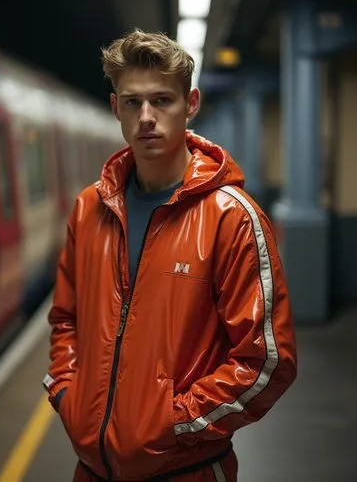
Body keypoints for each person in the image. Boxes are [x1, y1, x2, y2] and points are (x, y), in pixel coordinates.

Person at [43, 29, 297, 482]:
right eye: (131, 102)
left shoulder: (231, 218)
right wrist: (67, 392)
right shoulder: (88, 210)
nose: (146, 117)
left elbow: (266, 362)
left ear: (191, 104)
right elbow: (67, 319)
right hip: (91, 471)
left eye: (162, 100)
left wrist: (171, 424)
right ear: (114, 108)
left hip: (188, 471)